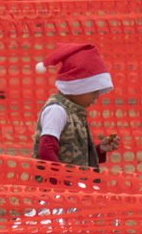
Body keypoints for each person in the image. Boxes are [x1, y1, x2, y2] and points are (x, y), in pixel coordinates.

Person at [34, 41, 119, 169]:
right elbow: (46, 150)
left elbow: (76, 157)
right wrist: (62, 179)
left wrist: (100, 149)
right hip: (59, 186)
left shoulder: (75, 112)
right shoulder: (57, 110)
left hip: (74, 185)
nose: (96, 97)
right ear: (78, 88)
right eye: (93, 92)